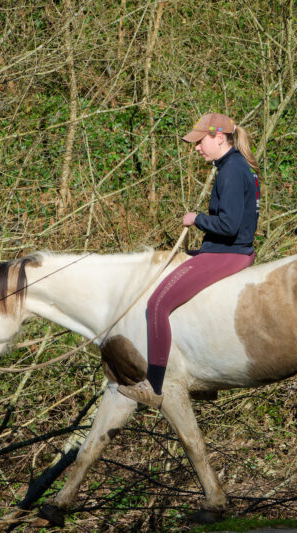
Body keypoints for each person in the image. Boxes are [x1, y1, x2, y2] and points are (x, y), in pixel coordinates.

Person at [118, 113, 260, 409]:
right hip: (226, 250)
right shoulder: (234, 166)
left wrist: (197, 219)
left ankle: (154, 386)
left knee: (157, 305)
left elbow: (229, 225)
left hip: (229, 253)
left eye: (200, 141)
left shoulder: (232, 171)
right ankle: (203, 378)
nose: (196, 148)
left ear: (218, 137)